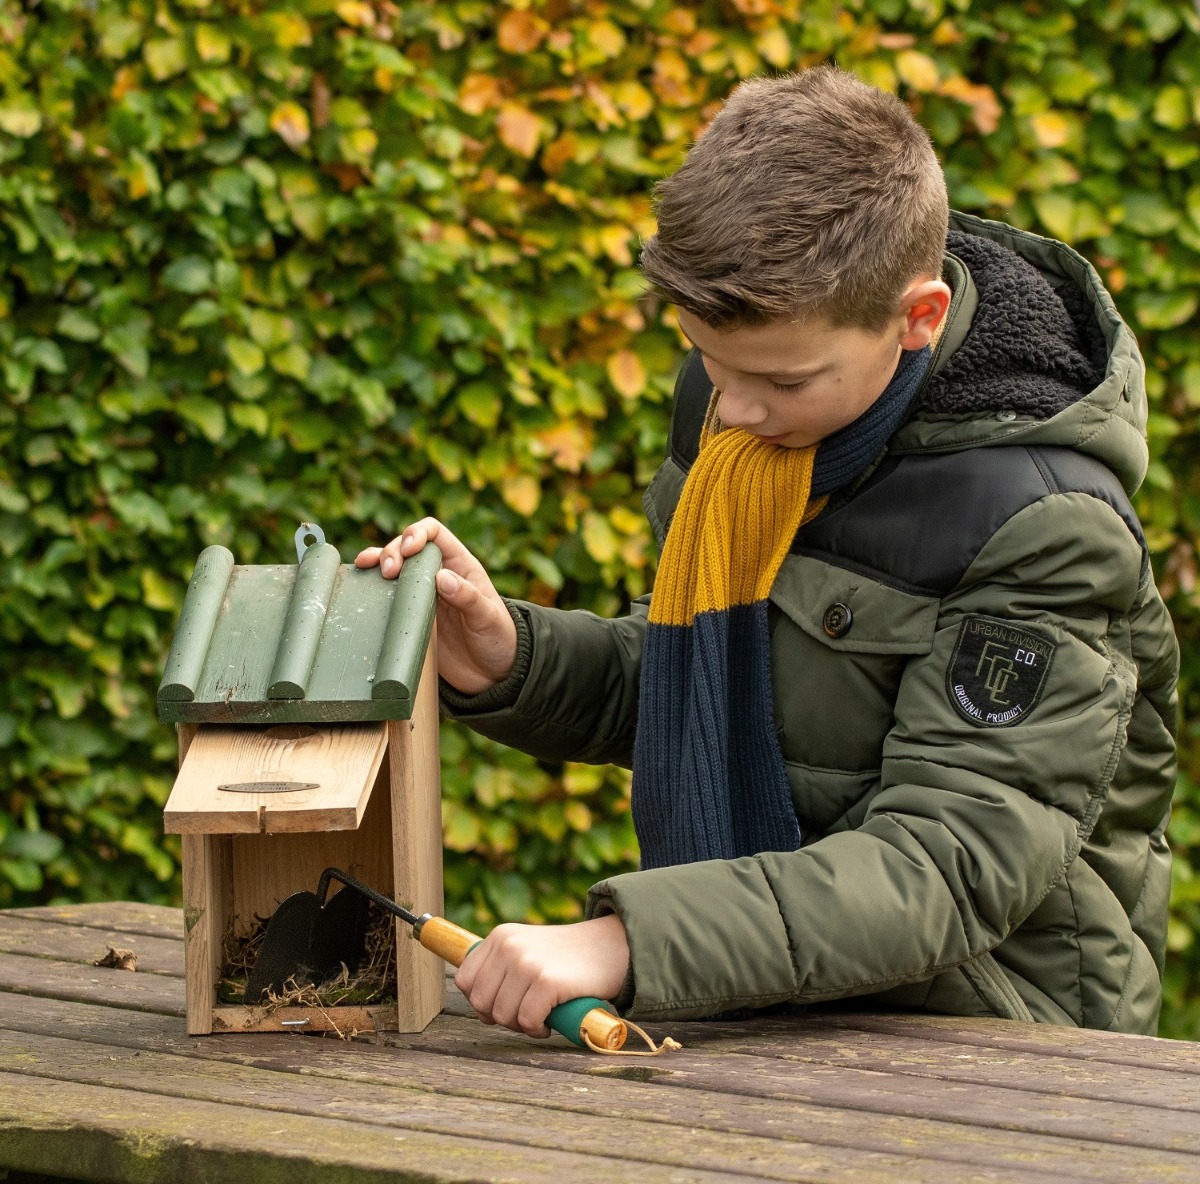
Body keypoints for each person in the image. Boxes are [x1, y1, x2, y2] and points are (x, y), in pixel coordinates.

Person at [357, 66, 1178, 1037]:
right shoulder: (750, 412)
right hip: (766, 1010)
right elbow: (711, 681)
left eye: (781, 380)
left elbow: (948, 867)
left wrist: (632, 943)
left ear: (916, 319)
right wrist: (510, 658)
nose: (734, 411)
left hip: (995, 1047)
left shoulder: (1046, 524)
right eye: (710, 359)